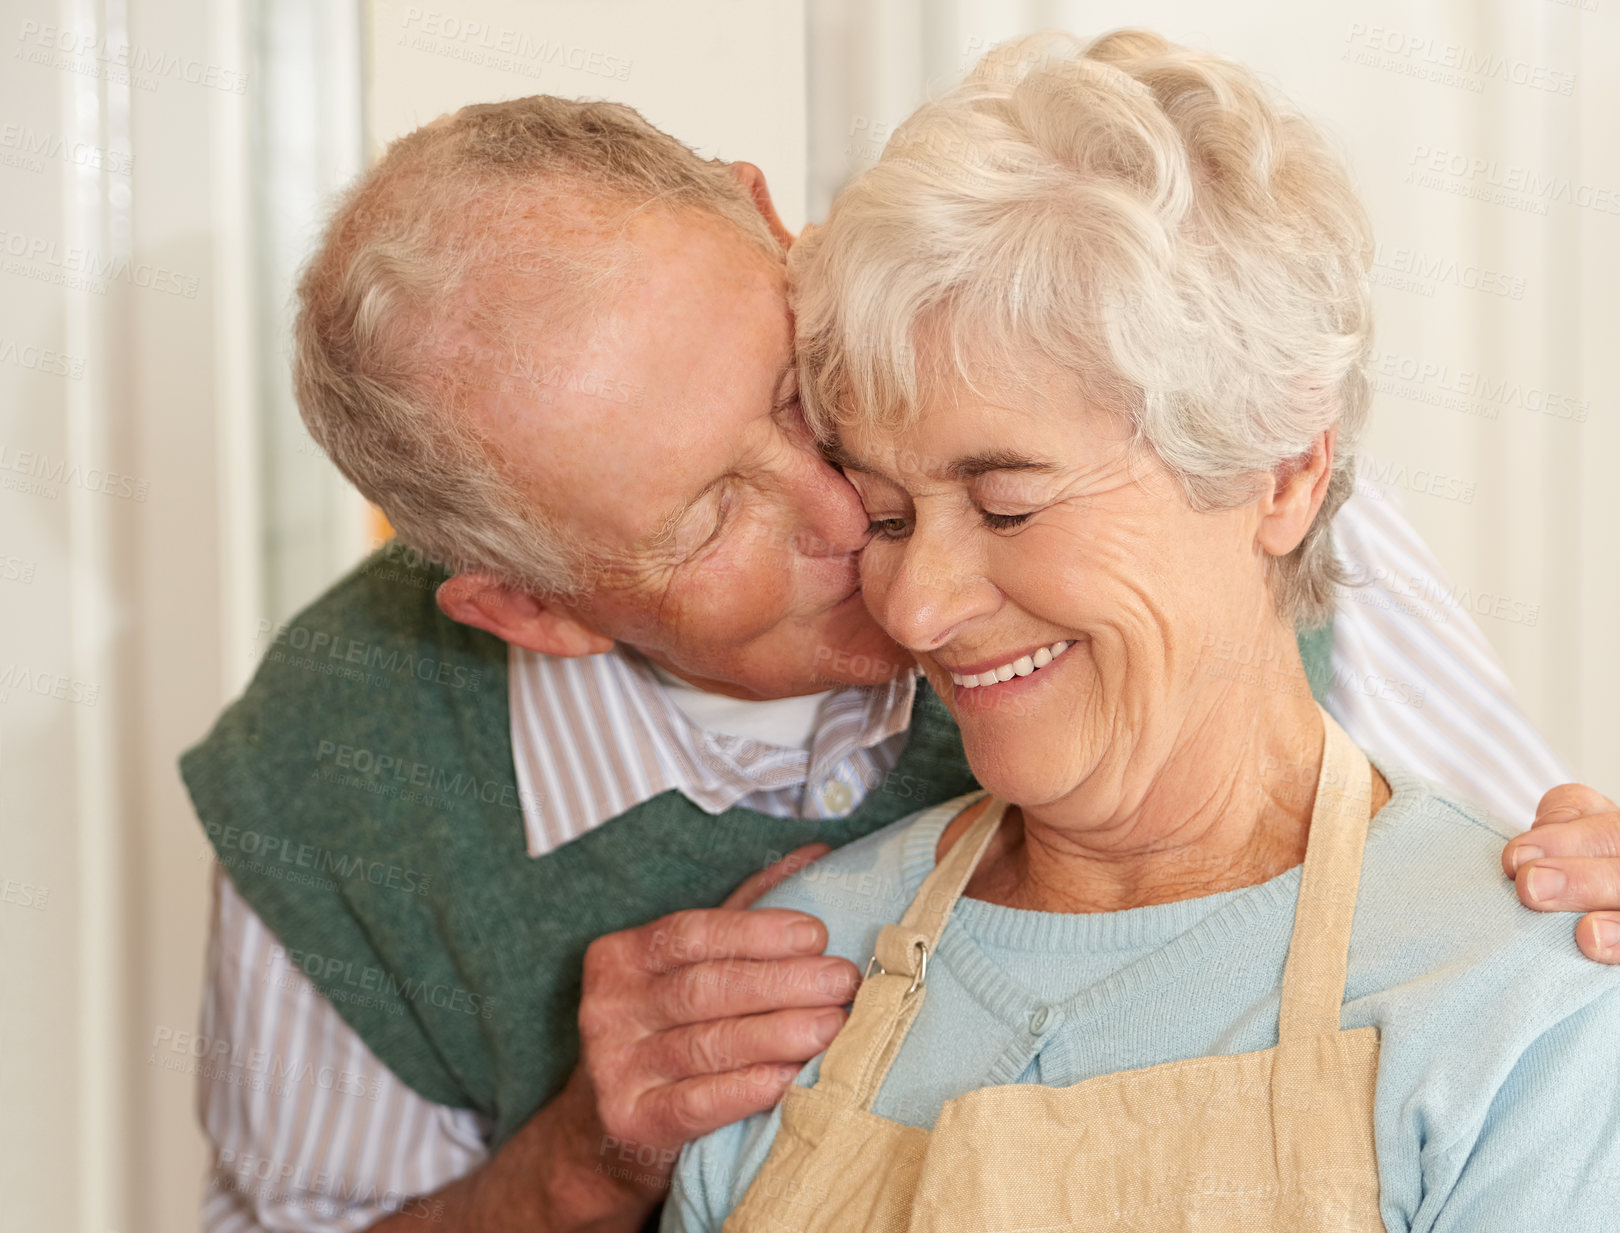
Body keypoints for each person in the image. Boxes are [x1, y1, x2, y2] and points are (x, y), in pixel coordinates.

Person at [181, 87, 1620, 1233]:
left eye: (799, 397)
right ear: (534, 610)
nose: (877, 555)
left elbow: (1534, 913)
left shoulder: (1221, 488)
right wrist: (577, 1167)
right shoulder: (331, 775)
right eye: (707, 520)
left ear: (775, 228)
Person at [665, 30, 1620, 1232]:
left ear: (1282, 473)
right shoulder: (788, 983)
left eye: (1009, 502)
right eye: (891, 514)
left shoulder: (1531, 997)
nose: (913, 607)